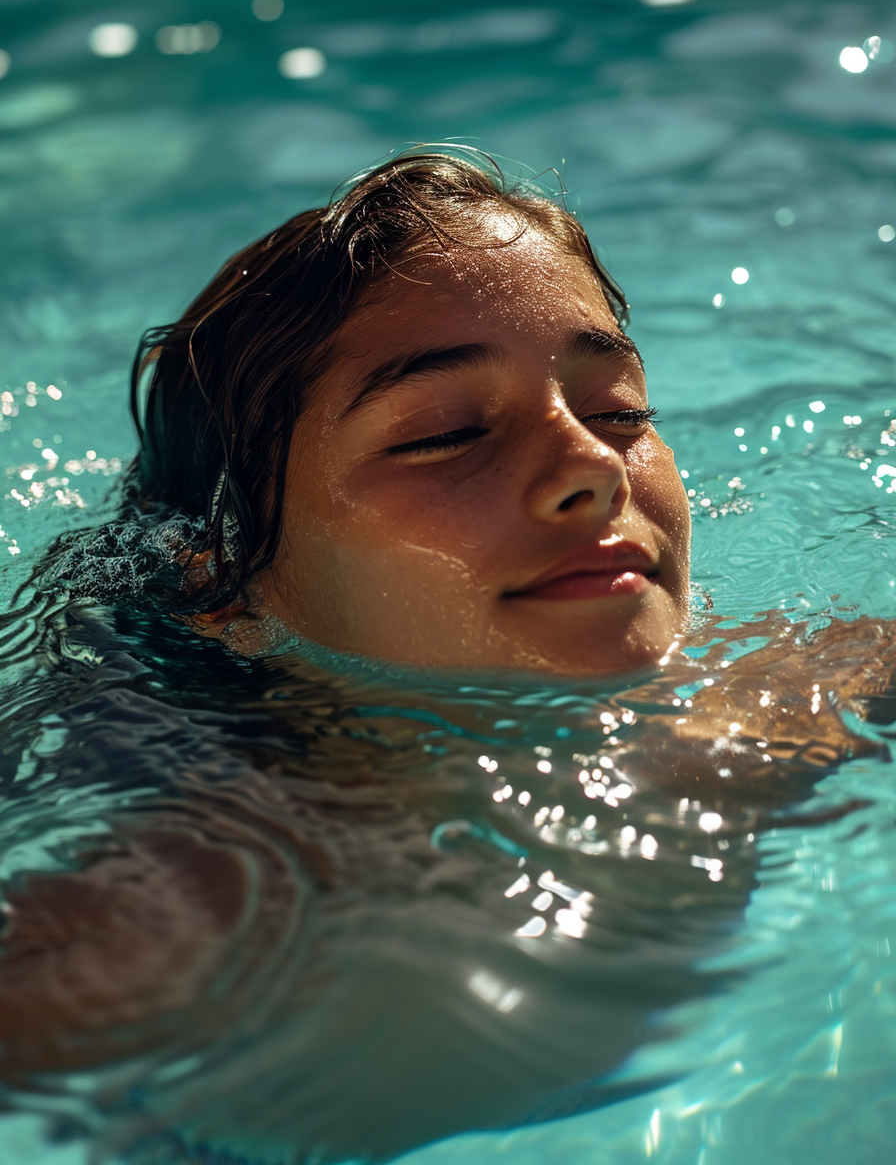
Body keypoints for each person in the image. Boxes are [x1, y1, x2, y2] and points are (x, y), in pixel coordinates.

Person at [1, 149, 892, 1162]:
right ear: (225, 585)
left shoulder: (736, 735)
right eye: (442, 433)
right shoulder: (173, 926)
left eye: (618, 412)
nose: (589, 468)